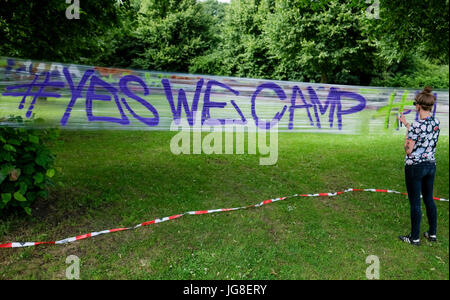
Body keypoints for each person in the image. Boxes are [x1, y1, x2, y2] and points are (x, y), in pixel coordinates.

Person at [397, 86, 440, 246]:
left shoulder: (416, 126)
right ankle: (432, 233)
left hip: (415, 167)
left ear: (418, 106)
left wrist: (407, 133)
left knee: (415, 202)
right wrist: (407, 124)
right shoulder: (435, 122)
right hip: (430, 165)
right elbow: (424, 134)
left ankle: (414, 238)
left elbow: (409, 150)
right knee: (429, 199)